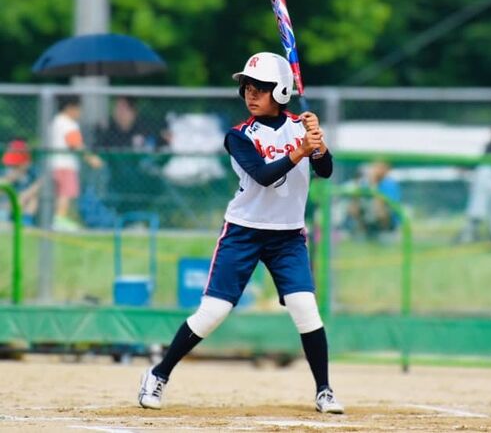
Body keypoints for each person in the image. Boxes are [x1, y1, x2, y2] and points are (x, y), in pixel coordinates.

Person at [138, 52, 343, 414]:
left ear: (281, 91)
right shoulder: (238, 136)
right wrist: (300, 151)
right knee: (214, 311)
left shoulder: (300, 127)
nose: (251, 94)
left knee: (305, 307)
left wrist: (319, 144)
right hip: (244, 232)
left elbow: (325, 171)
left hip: (287, 236)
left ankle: (324, 391)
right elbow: (264, 176)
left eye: (260, 88)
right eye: (248, 87)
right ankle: (158, 373)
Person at [95, 96, 158, 213]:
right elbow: (98, 152)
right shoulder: (108, 129)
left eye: (122, 109)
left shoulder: (144, 128)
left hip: (141, 178)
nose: (118, 113)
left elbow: (153, 152)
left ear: (132, 111)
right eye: (117, 108)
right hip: (113, 178)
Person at [49, 95, 102, 231]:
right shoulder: (68, 123)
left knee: (59, 194)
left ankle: (60, 218)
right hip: (65, 165)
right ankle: (59, 220)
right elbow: (76, 144)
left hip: (53, 164)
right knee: (65, 193)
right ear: (70, 108)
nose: (80, 113)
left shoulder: (55, 121)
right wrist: (91, 158)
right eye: (79, 109)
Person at [459, 121, 491, 242]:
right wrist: (467, 167)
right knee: (478, 206)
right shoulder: (490, 145)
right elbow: (482, 163)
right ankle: (474, 231)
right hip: (488, 178)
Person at [344, 161, 401, 238]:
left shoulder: (389, 184)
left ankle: (384, 232)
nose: (374, 170)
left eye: (379, 167)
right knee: (354, 206)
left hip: (387, 222)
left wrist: (374, 184)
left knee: (379, 208)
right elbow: (355, 201)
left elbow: (384, 206)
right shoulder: (365, 183)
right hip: (368, 218)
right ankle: (361, 231)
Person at [0, 139, 41, 226]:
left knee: (33, 199)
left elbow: (40, 183)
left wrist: (25, 195)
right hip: (6, 206)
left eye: (16, 165)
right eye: (12, 165)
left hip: (22, 205)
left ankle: (26, 222)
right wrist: (10, 178)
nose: (12, 167)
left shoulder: (33, 172)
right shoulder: (6, 172)